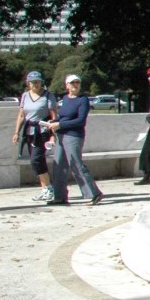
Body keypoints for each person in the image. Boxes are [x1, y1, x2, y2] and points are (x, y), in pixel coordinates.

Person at [44, 75, 103, 205]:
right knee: (59, 165)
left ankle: (94, 193)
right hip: (61, 135)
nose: (75, 85)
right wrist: (54, 122)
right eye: (72, 83)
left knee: (76, 164)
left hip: (73, 136)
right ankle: (60, 196)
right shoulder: (65, 99)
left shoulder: (83, 100)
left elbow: (80, 121)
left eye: (77, 82)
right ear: (67, 85)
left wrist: (60, 125)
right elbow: (63, 116)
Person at [14, 71, 57, 201]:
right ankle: (45, 189)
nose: (36, 84)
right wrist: (16, 132)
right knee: (38, 162)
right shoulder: (25, 96)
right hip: (29, 133)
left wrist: (53, 136)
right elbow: (21, 116)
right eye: (33, 82)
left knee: (36, 160)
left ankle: (49, 188)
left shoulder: (48, 96)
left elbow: (54, 116)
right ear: (28, 83)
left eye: (38, 82)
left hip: (43, 132)